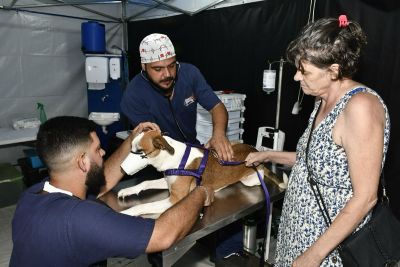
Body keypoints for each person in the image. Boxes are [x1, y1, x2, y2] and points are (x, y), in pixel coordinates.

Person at [245, 16, 390, 266]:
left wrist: (313, 255)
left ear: (333, 70)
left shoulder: (361, 107)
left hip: (328, 246)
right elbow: (313, 159)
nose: (296, 78)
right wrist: (267, 155)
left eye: (304, 71)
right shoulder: (321, 99)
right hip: (297, 232)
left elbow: (366, 197)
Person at [10, 116, 214, 267]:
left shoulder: (33, 196)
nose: (103, 152)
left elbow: (102, 181)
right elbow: (163, 236)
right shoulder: (80, 218)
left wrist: (132, 139)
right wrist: (201, 192)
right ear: (82, 161)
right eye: (98, 149)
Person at [120, 33, 234, 161]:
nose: (167, 74)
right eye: (158, 69)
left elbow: (217, 107)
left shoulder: (190, 74)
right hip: (159, 157)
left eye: (172, 65)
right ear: (144, 66)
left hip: (192, 150)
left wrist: (219, 135)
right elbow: (151, 140)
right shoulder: (133, 94)